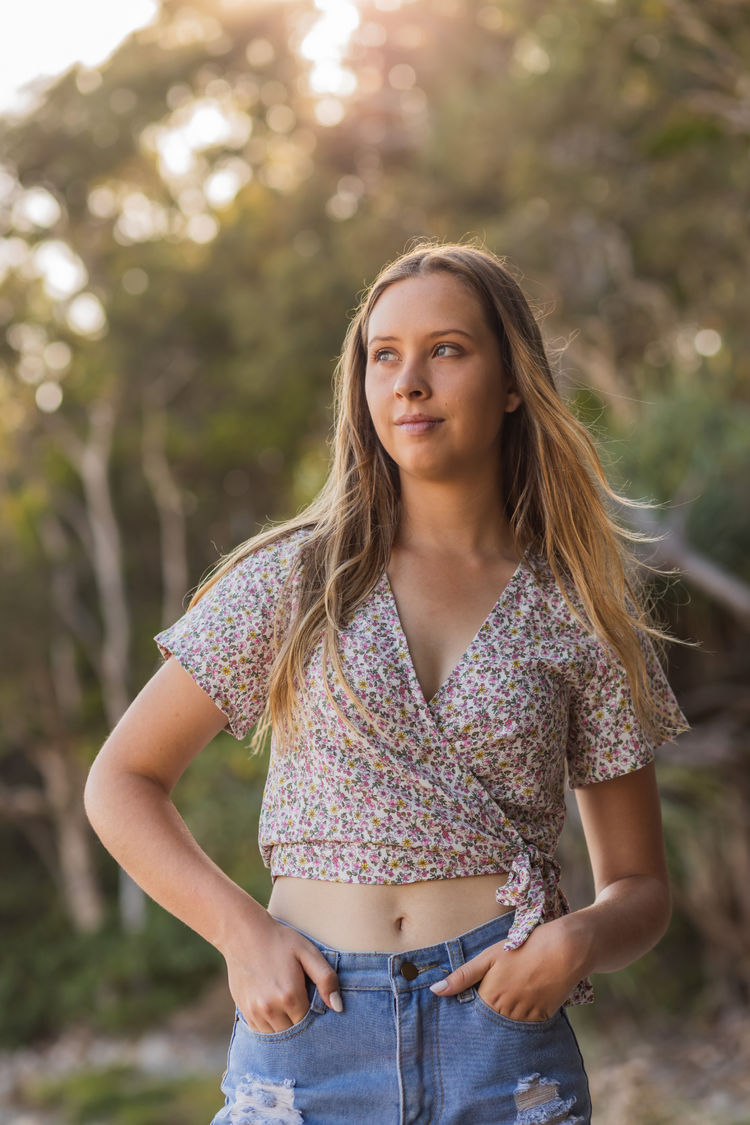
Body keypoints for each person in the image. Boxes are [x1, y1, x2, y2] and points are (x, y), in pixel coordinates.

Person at [84, 242, 687, 1125]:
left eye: (446, 349)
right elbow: (121, 781)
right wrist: (242, 934)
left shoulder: (578, 610)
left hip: (501, 1034)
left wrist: (578, 940)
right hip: (311, 1030)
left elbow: (640, 885)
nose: (409, 381)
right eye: (384, 355)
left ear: (512, 381)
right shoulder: (294, 579)